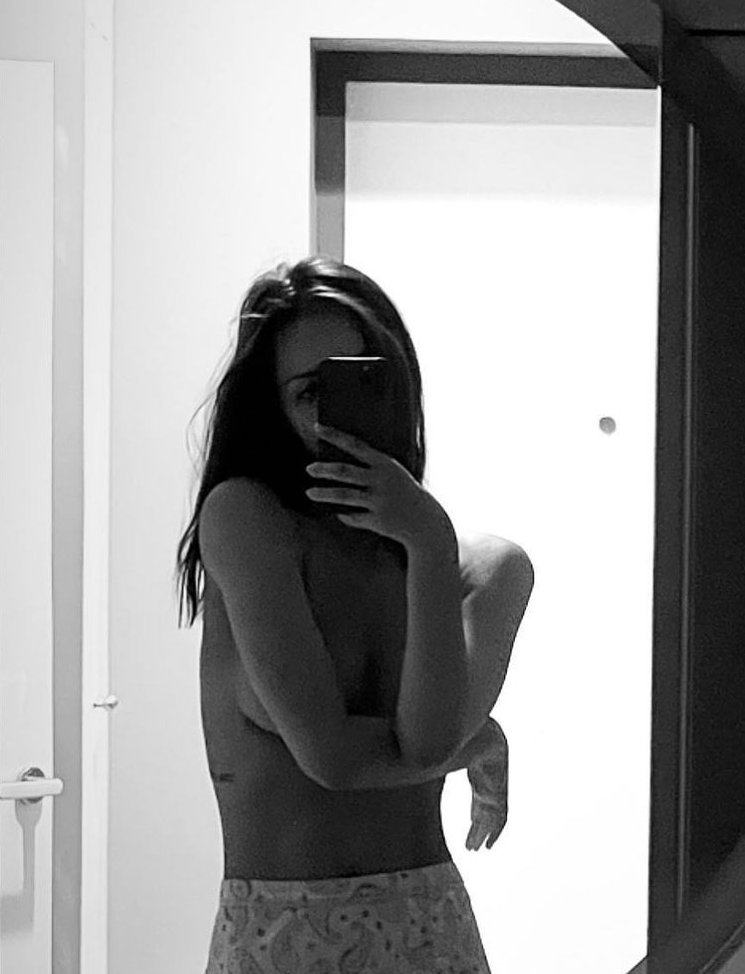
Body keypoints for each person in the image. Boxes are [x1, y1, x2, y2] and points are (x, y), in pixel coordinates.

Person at [174, 257, 534, 973]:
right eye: (311, 391)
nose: (338, 411)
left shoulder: (486, 571)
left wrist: (427, 543)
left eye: (369, 378)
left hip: (431, 928)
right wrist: (482, 739)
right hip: (281, 935)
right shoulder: (247, 521)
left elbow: (425, 742)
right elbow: (332, 758)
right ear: (273, 409)